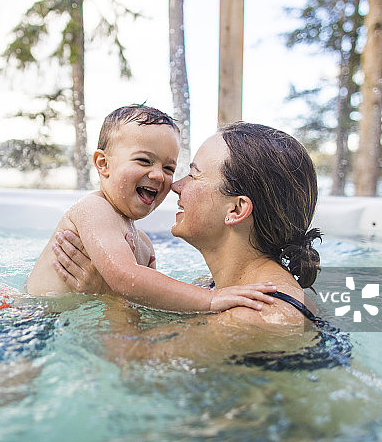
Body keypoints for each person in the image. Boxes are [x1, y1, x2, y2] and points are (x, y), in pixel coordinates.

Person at [51, 122, 347, 366]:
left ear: (235, 209)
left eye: (193, 174)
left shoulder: (259, 316)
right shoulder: (213, 288)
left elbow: (130, 367)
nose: (175, 185)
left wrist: (109, 294)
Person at [26, 105, 277, 314]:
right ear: (103, 164)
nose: (159, 175)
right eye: (144, 161)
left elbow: (145, 304)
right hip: (30, 319)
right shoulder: (94, 209)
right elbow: (125, 278)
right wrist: (210, 299)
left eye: (169, 168)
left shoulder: (143, 244)